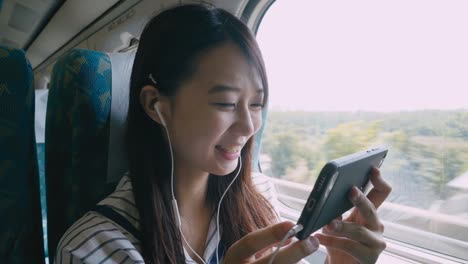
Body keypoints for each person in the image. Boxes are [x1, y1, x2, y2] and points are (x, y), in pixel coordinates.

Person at [55, 4, 392, 264]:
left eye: (257, 104)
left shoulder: (259, 199)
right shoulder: (93, 248)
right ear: (155, 104)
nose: (249, 127)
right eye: (226, 103)